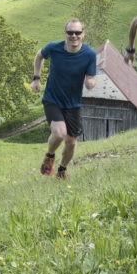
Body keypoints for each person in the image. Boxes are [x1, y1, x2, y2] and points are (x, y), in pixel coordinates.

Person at [31, 19, 96, 179]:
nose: (74, 36)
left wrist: (90, 82)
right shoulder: (54, 48)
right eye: (70, 32)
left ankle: (62, 169)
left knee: (71, 142)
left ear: (83, 34)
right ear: (65, 33)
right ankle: (50, 155)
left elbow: (91, 78)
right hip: (52, 99)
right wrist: (36, 78)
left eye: (77, 32)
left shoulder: (89, 54)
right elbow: (39, 56)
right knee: (60, 134)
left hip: (73, 103)